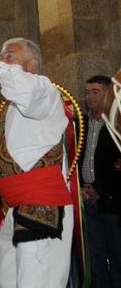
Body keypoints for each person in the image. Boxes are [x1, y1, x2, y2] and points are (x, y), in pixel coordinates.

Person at [0, 38, 73, 287]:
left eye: (9, 56)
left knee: (34, 280)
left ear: (31, 65)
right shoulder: (7, 110)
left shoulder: (45, 91)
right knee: (9, 279)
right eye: (0, 56)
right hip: (15, 207)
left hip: (42, 204)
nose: (1, 61)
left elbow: (28, 90)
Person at [80, 75, 121, 287]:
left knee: (116, 254)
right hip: (85, 199)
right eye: (88, 92)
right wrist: (81, 188)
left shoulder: (117, 123)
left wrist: (98, 189)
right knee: (94, 255)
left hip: (110, 200)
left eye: (96, 91)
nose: (90, 97)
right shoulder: (81, 123)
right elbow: (75, 156)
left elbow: (118, 166)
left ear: (108, 95)